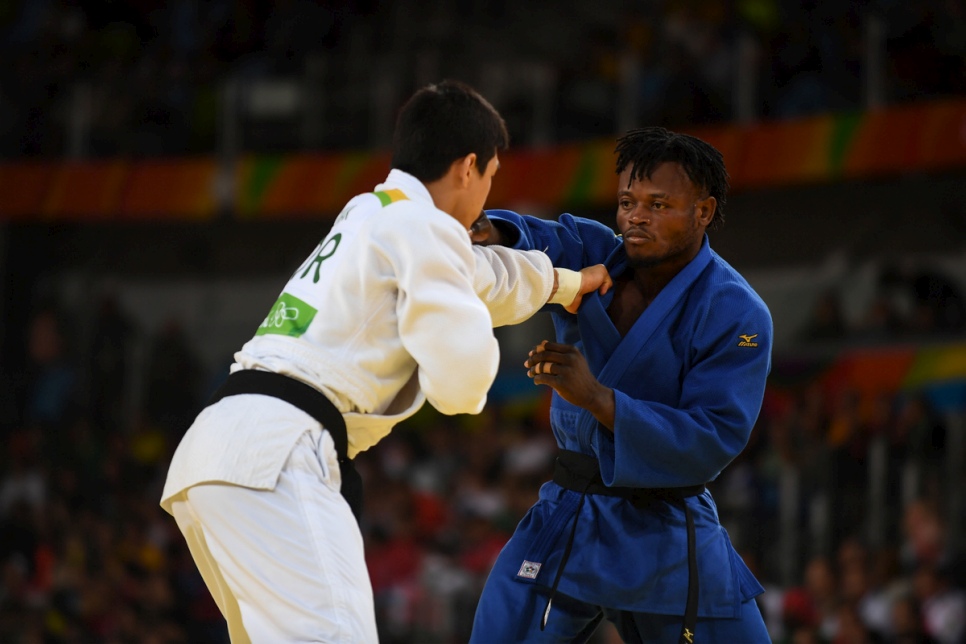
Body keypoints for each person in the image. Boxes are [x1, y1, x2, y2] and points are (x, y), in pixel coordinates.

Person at [159, 79, 611, 643]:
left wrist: (567, 284)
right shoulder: (422, 229)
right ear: (469, 167)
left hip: (220, 452)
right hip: (277, 455)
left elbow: (483, 275)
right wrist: (472, 367)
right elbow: (462, 385)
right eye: (492, 175)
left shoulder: (373, 212)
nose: (489, 190)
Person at [469, 126, 773, 643]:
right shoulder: (595, 254)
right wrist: (492, 232)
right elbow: (544, 238)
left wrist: (598, 399)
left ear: (703, 211)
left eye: (659, 205)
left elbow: (712, 438)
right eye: (628, 201)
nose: (636, 216)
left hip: (667, 525)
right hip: (569, 510)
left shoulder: (737, 311)